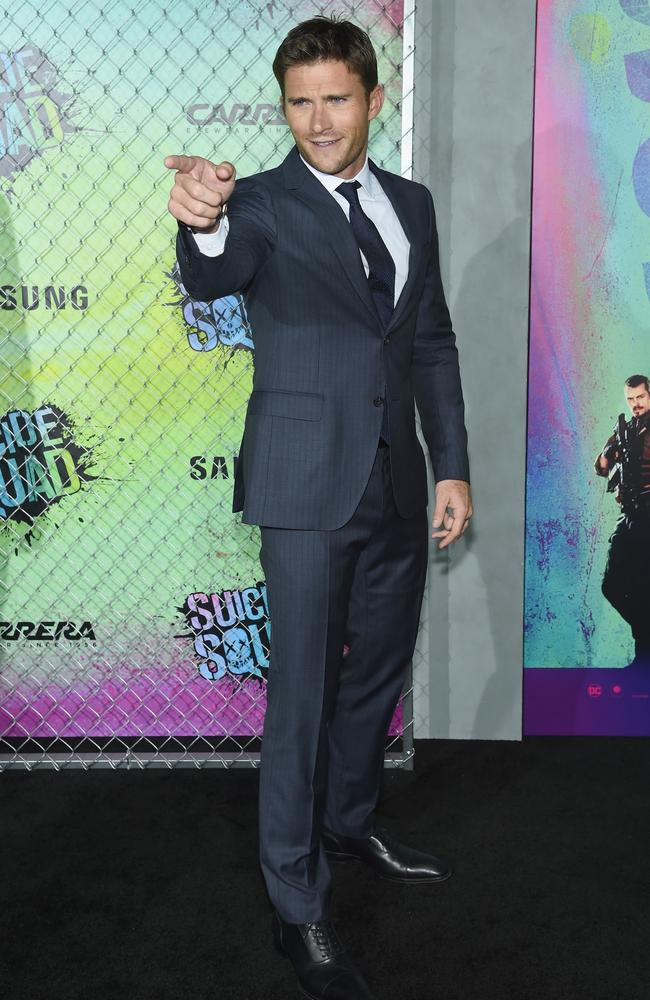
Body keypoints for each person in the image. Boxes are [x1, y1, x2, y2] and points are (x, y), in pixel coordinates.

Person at [165, 16, 472, 1000]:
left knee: (373, 670)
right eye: (299, 102)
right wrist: (199, 218)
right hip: (303, 487)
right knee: (297, 696)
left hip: (392, 483)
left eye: (335, 98)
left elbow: (427, 338)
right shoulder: (256, 203)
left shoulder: (411, 205)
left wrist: (449, 465)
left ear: (373, 99)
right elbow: (212, 266)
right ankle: (296, 906)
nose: (317, 120)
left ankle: (348, 819)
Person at [595, 374, 650, 668]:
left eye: (640, 397)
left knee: (643, 585)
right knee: (612, 584)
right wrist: (610, 451)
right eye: (630, 399)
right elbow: (601, 468)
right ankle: (646, 639)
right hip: (628, 514)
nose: (635, 404)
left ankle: (643, 661)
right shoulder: (623, 428)